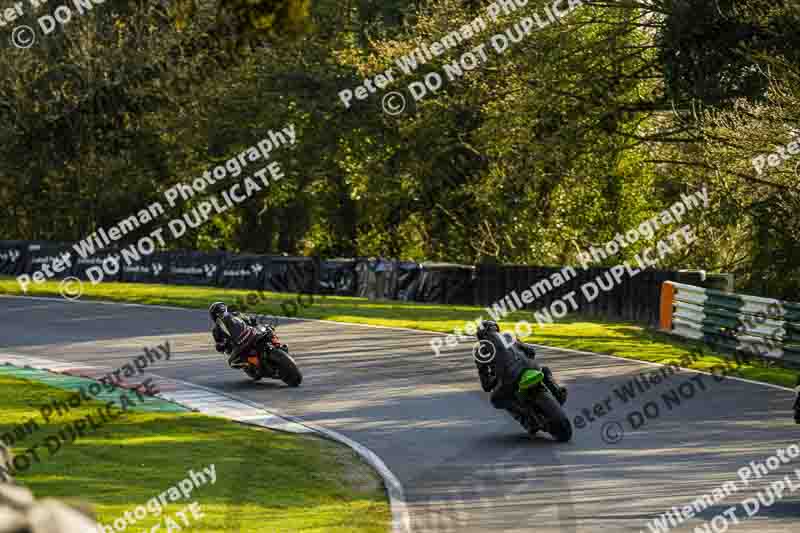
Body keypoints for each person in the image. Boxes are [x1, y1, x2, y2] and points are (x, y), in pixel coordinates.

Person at [474, 320, 567, 412]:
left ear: (480, 338)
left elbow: (486, 385)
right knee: (544, 370)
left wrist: (496, 378)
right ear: (497, 329)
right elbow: (531, 351)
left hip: (510, 378)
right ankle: (557, 392)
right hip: (531, 367)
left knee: (496, 400)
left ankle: (525, 418)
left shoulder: (480, 352)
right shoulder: (508, 336)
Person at [209, 301, 260, 367]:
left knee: (267, 331)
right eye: (220, 314)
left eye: (223, 312)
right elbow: (219, 344)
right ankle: (251, 364)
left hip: (249, 335)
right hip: (239, 345)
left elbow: (249, 319)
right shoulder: (216, 329)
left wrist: (252, 320)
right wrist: (221, 346)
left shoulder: (236, 314)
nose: (222, 315)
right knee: (232, 362)